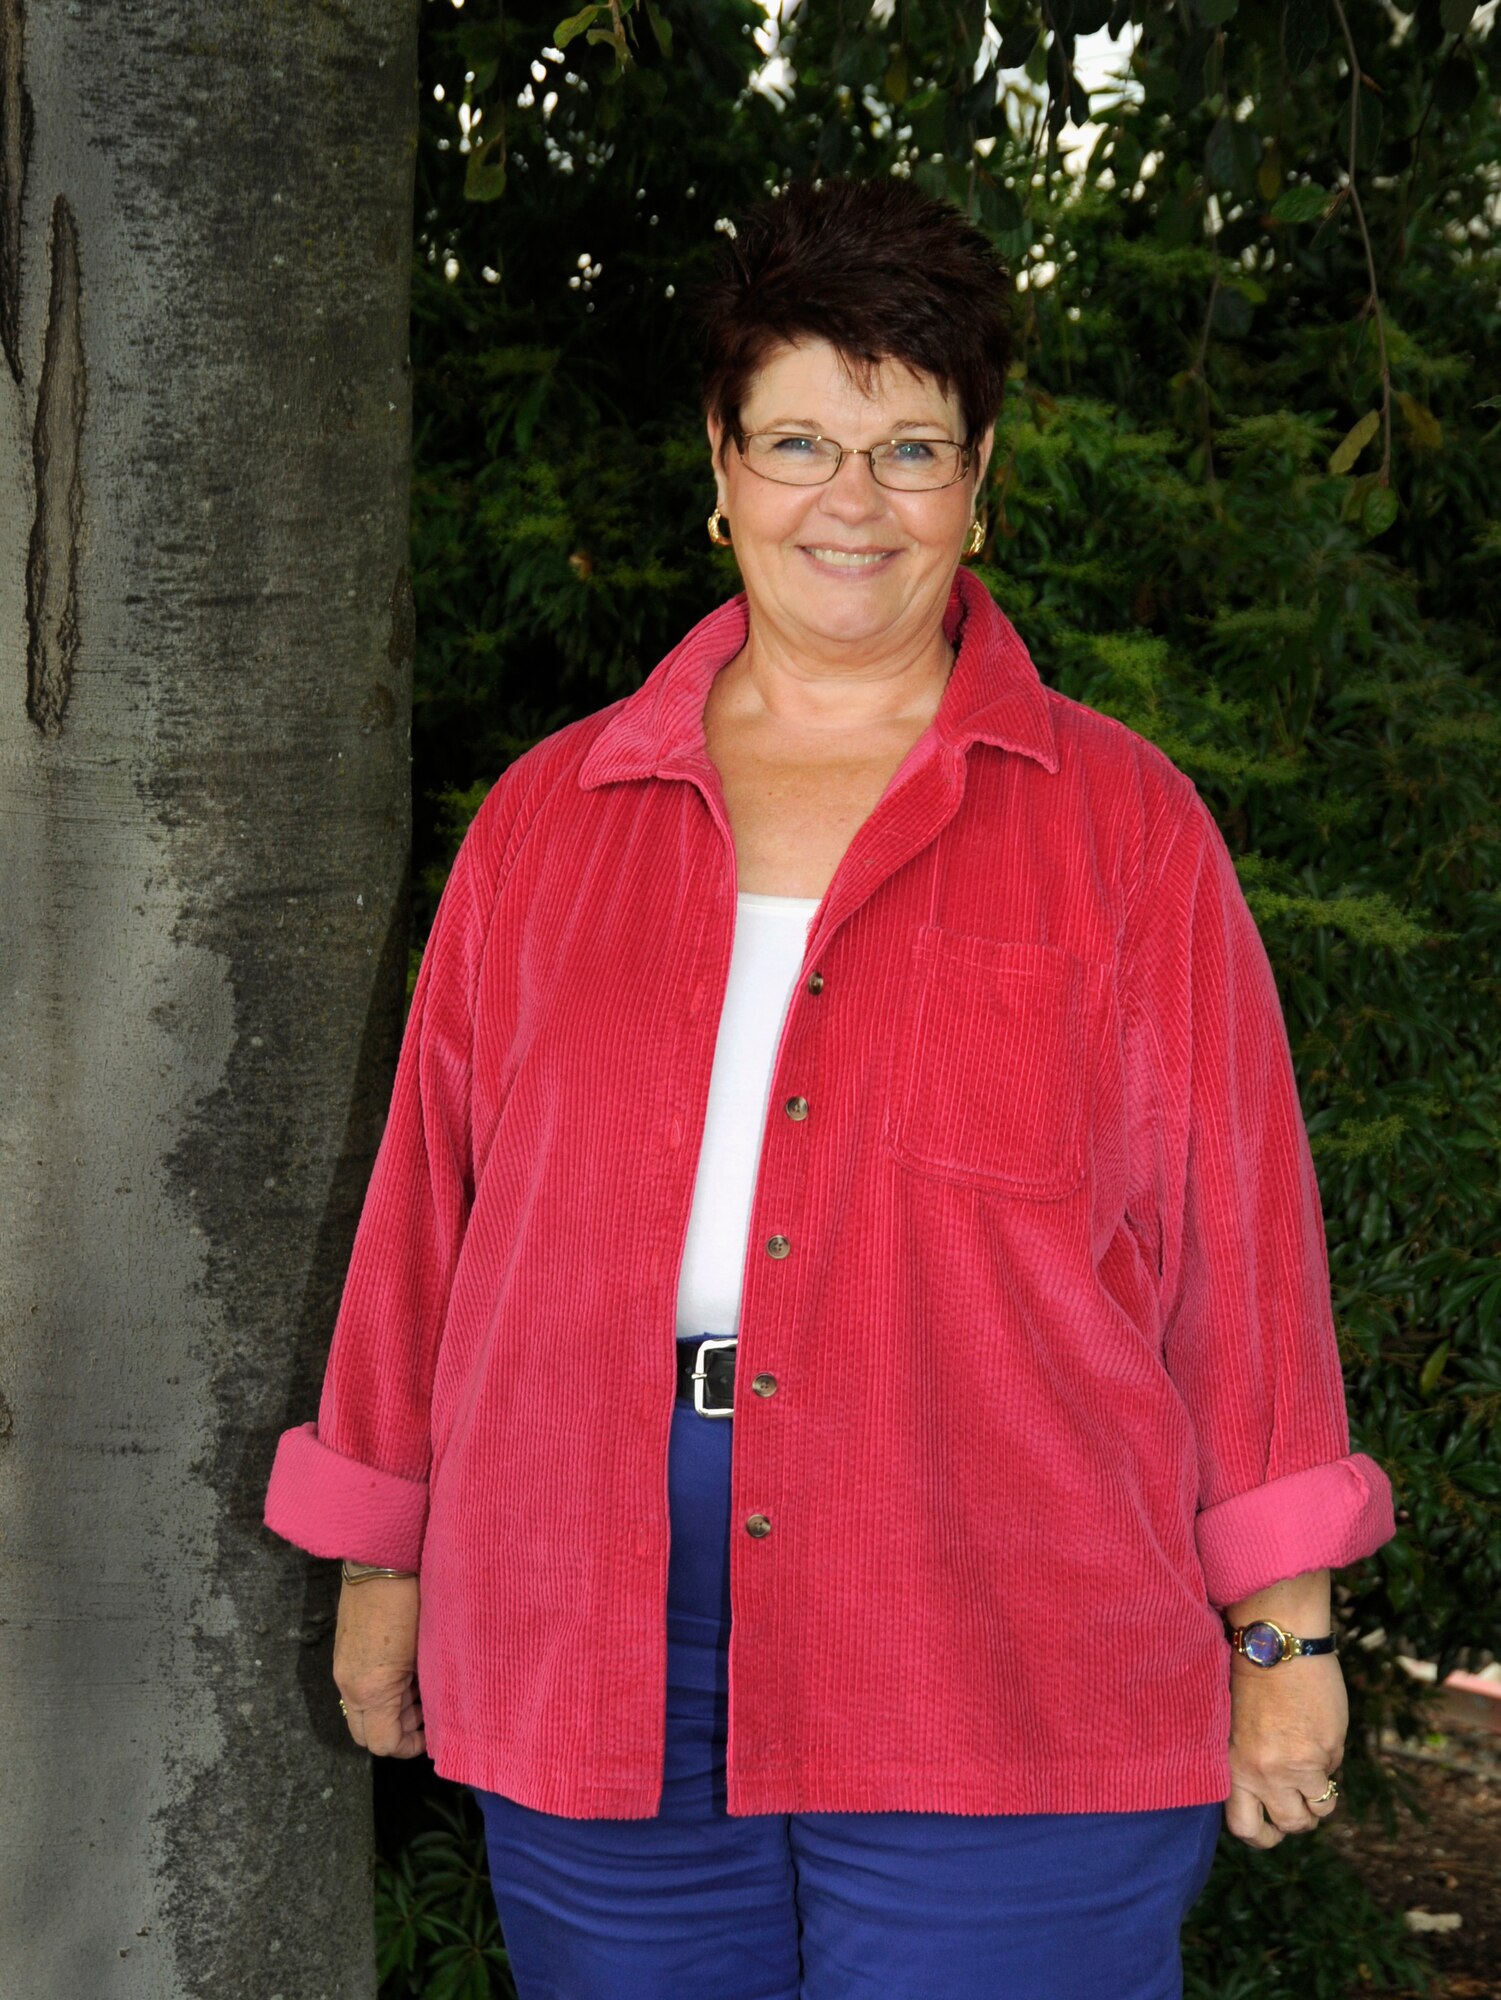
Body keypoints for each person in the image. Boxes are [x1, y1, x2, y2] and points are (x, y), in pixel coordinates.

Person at [264, 177, 1396, 1999]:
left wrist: (1280, 1641)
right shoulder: (551, 820)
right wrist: (381, 1552)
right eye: (796, 440)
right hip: (587, 1602)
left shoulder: (1120, 827)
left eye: (907, 449)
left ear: (979, 479)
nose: (847, 504)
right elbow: (432, 1212)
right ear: (717, 465)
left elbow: (1236, 1248)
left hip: (1001, 1606)